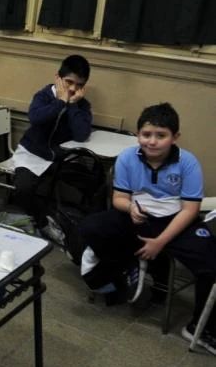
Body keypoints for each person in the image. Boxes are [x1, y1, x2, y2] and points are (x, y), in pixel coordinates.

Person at [80, 103, 216, 349]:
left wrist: (159, 242)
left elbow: (190, 209)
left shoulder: (188, 162)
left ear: (175, 138)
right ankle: (130, 264)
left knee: (212, 264)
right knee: (91, 227)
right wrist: (130, 208)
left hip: (176, 221)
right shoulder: (127, 157)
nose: (152, 142)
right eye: (146, 134)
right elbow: (119, 198)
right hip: (139, 216)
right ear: (138, 134)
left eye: (161, 136)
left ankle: (200, 328)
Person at [12, 54, 93, 233]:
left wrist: (72, 105)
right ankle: (42, 223)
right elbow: (36, 119)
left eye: (79, 85)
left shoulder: (81, 105)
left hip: (59, 157)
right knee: (23, 190)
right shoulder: (43, 96)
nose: (72, 88)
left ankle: (85, 228)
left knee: (93, 180)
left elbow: (81, 134)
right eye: (69, 82)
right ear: (58, 77)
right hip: (32, 153)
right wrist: (60, 102)